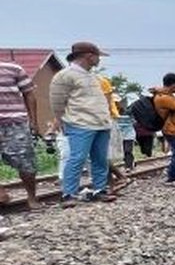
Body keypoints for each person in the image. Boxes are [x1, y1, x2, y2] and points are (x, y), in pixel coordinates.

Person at [49, 42, 115, 207]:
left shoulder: (91, 76)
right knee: (77, 158)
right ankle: (68, 193)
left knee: (100, 159)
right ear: (89, 56)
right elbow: (57, 102)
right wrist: (60, 120)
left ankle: (100, 189)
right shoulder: (64, 76)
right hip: (80, 123)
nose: (99, 59)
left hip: (100, 124)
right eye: (98, 56)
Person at [0, 58, 41, 209]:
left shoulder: (13, 69)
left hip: (15, 123)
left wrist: (33, 121)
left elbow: (29, 94)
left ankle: (32, 197)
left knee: (26, 163)